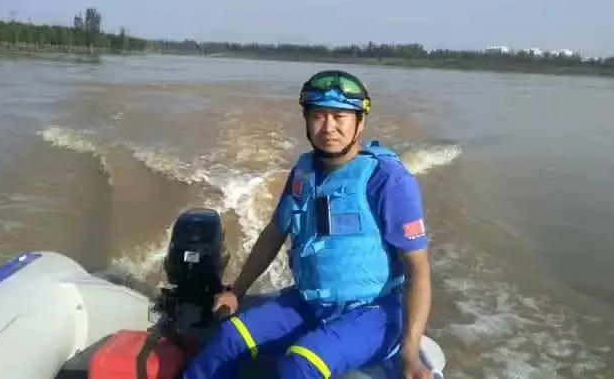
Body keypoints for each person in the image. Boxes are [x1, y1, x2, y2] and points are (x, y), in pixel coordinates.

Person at [182, 70, 434, 379]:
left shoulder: (387, 179)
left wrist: (410, 354)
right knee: (230, 338)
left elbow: (418, 269)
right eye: (318, 116)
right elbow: (275, 232)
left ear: (360, 122)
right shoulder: (303, 172)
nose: (328, 127)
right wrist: (237, 291)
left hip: (373, 312)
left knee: (299, 365)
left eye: (340, 117)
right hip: (308, 302)